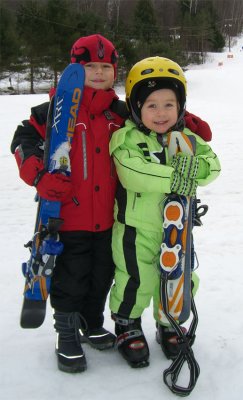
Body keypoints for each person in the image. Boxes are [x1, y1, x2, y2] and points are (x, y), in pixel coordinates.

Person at [10, 33, 213, 374]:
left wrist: (187, 121)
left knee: (103, 275)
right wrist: (38, 175)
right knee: (71, 276)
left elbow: (156, 121)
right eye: (90, 66)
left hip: (110, 218)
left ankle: (90, 323)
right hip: (69, 216)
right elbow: (22, 140)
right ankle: (66, 333)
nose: (100, 72)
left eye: (106, 66)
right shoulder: (52, 111)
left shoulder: (119, 113)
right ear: (75, 69)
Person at [109, 56, 221, 368]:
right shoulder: (127, 138)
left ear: (181, 106)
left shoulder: (188, 140)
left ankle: (169, 322)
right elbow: (133, 172)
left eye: (169, 105)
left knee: (177, 279)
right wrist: (178, 177)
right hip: (135, 230)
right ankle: (127, 324)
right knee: (136, 279)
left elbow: (211, 165)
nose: (161, 113)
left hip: (178, 228)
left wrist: (194, 169)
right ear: (135, 107)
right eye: (152, 105)